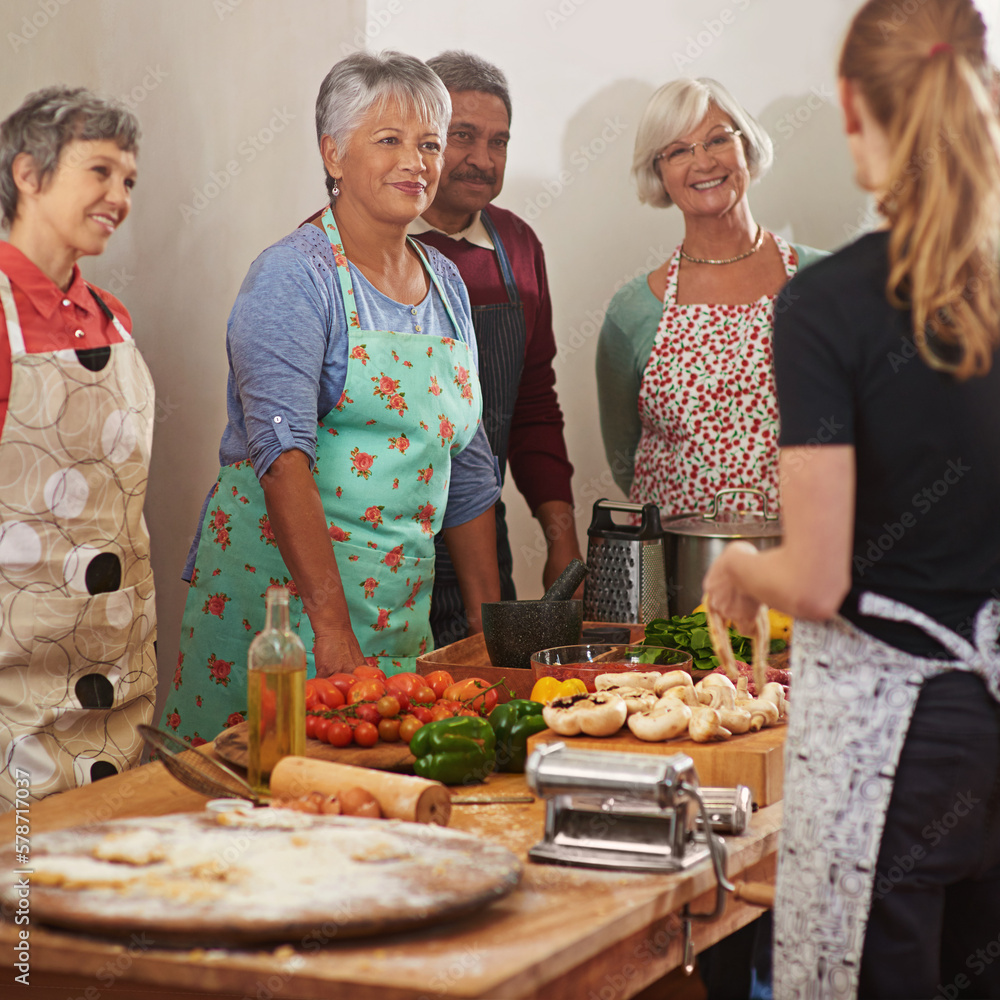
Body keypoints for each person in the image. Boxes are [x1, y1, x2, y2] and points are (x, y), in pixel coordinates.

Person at [703, 1, 1000, 996]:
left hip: (899, 744)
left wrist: (739, 566)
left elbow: (819, 579)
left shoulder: (828, 303)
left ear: (849, 106)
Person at [171, 52, 502, 745]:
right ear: (333, 152)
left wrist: (486, 633)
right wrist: (329, 631)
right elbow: (281, 455)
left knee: (367, 815)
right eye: (389, 140)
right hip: (282, 623)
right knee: (248, 806)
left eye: (429, 144)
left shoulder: (446, 284)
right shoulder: (294, 277)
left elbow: (468, 468)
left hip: (394, 618)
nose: (416, 161)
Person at [0, 87, 155, 810]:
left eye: (127, 179)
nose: (118, 196)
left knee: (110, 882)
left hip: (118, 681)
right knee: (25, 904)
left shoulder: (113, 319)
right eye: (99, 172)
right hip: (13, 690)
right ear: (29, 175)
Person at [409, 51, 582, 647]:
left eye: (499, 141)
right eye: (463, 136)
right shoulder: (344, 246)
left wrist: (562, 537)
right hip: (367, 548)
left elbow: (534, 403)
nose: (482, 159)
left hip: (484, 539)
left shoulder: (517, 245)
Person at [596, 78, 825, 517]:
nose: (703, 162)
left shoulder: (826, 281)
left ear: (747, 146)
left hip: (810, 562)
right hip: (681, 570)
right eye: (679, 150)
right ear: (659, 172)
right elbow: (625, 458)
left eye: (717, 139)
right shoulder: (633, 310)